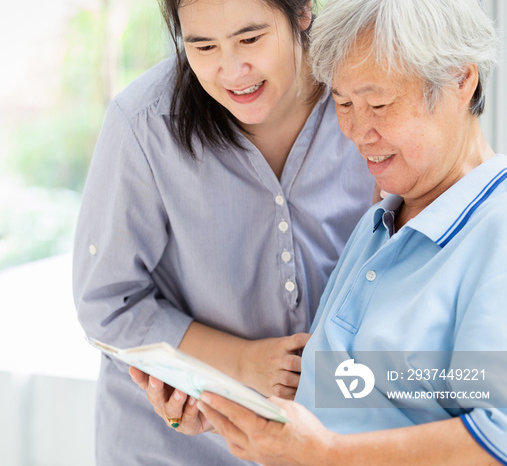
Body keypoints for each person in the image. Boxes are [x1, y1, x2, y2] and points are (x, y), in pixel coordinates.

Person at [167, 0, 507, 464]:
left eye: (379, 104)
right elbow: (358, 398)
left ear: (460, 81)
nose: (355, 129)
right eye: (343, 103)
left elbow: (500, 435)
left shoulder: (495, 232)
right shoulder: (382, 222)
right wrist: (231, 412)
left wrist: (328, 454)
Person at [72, 0, 374, 463]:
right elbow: (107, 303)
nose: (232, 70)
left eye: (250, 39)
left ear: (304, 11)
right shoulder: (143, 125)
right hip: (170, 446)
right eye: (203, 46)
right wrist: (241, 362)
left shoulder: (365, 95)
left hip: (331, 441)